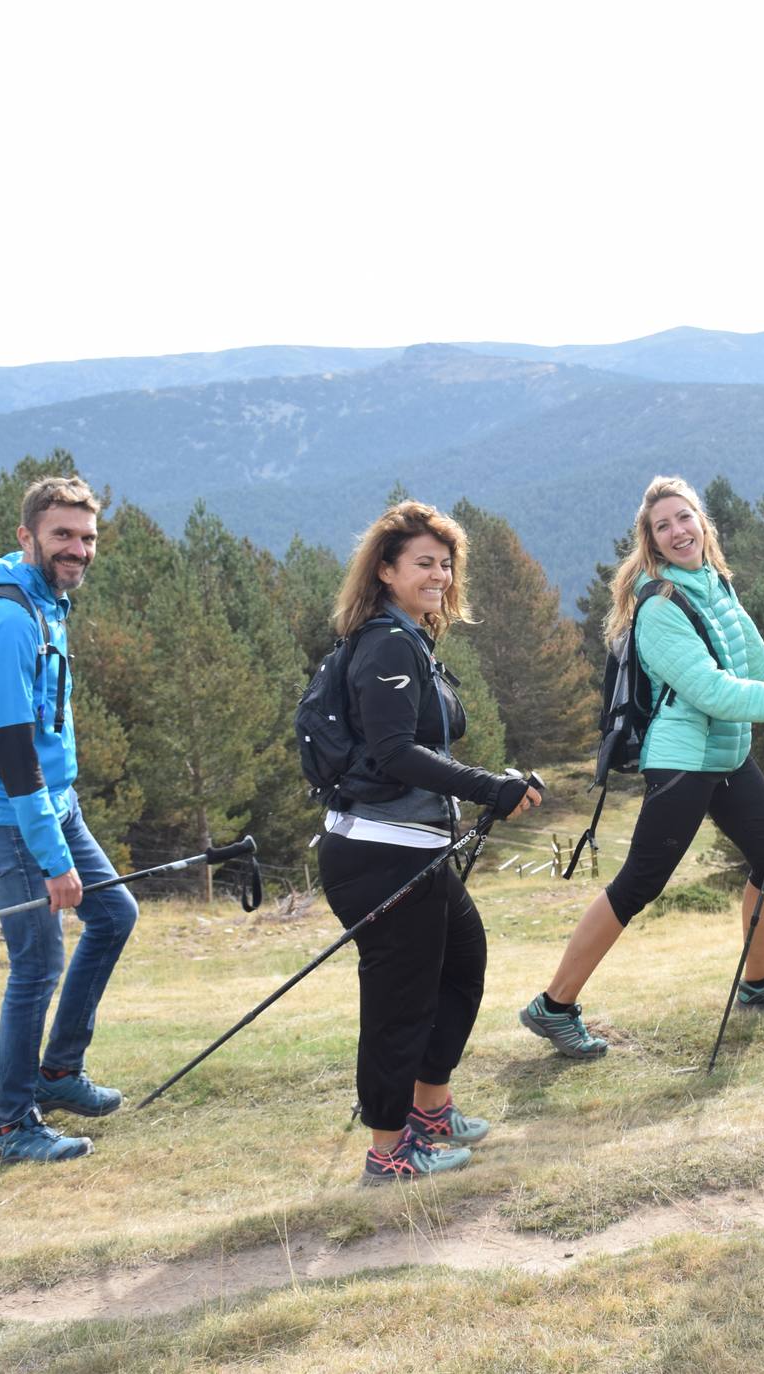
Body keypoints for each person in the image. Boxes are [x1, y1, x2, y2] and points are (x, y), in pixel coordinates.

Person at [519, 476, 764, 1060]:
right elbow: (711, 691)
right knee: (640, 882)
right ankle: (554, 1005)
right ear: (651, 542)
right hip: (683, 762)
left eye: (684, 518)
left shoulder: (713, 583)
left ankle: (759, 980)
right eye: (663, 526)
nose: (677, 531)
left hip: (727, 756)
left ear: (701, 522)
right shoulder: (659, 605)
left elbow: (750, 652)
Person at [318, 501, 542, 1182]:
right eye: (424, 563)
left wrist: (486, 784)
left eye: (446, 564)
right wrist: (489, 788)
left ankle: (430, 1110)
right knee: (398, 1001)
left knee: (460, 965)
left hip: (412, 849)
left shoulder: (410, 638)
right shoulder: (386, 642)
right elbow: (392, 752)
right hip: (378, 853)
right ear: (386, 571)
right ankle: (389, 1151)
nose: (439, 575)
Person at [0, 476, 137, 1163]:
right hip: (10, 818)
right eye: (62, 535)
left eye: (87, 537)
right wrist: (54, 857)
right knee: (35, 967)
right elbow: (10, 748)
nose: (78, 549)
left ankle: (58, 1072)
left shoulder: (49, 602)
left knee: (114, 916)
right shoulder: (9, 618)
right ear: (26, 535)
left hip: (53, 805)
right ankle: (12, 1125)